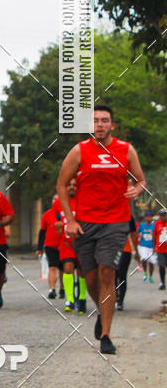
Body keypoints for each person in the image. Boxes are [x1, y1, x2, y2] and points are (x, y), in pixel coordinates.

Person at [57, 104, 146, 355]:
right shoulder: (79, 151)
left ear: (112, 125)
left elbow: (141, 180)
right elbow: (62, 185)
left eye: (105, 120)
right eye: (95, 120)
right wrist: (71, 220)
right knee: (91, 277)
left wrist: (137, 190)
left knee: (107, 273)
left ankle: (106, 335)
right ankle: (102, 310)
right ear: (90, 125)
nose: (100, 125)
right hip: (85, 223)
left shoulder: (126, 150)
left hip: (116, 222)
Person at [55, 179, 87, 313]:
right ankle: (70, 300)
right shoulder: (59, 202)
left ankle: (82, 298)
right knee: (67, 268)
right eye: (69, 185)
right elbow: (53, 217)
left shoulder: (84, 201)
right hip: (66, 243)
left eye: (75, 185)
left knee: (82, 271)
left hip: (82, 242)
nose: (72, 187)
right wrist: (57, 225)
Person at [36, 194, 62, 298]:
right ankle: (52, 289)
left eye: (58, 199)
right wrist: (39, 248)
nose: (55, 201)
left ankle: (63, 289)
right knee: (52, 267)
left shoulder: (65, 214)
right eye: (54, 199)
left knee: (64, 269)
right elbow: (42, 232)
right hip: (50, 245)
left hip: (64, 245)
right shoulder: (47, 215)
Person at [115, 216, 139, 310]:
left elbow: (133, 234)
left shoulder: (129, 217)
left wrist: (136, 251)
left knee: (122, 274)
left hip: (125, 250)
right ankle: (115, 296)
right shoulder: (109, 214)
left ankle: (120, 301)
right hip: (112, 250)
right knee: (113, 274)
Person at [137, 211, 157, 283]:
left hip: (152, 246)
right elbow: (137, 232)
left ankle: (151, 276)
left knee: (151, 262)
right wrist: (139, 235)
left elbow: (157, 235)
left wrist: (153, 235)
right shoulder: (142, 225)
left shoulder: (154, 225)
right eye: (147, 217)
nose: (148, 218)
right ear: (145, 218)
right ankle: (145, 273)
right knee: (144, 259)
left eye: (150, 217)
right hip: (143, 245)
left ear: (152, 218)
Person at [154, 208, 167, 290]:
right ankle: (162, 282)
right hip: (160, 249)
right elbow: (155, 235)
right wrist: (153, 247)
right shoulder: (157, 223)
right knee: (161, 266)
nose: (162, 217)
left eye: (164, 215)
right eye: (161, 215)